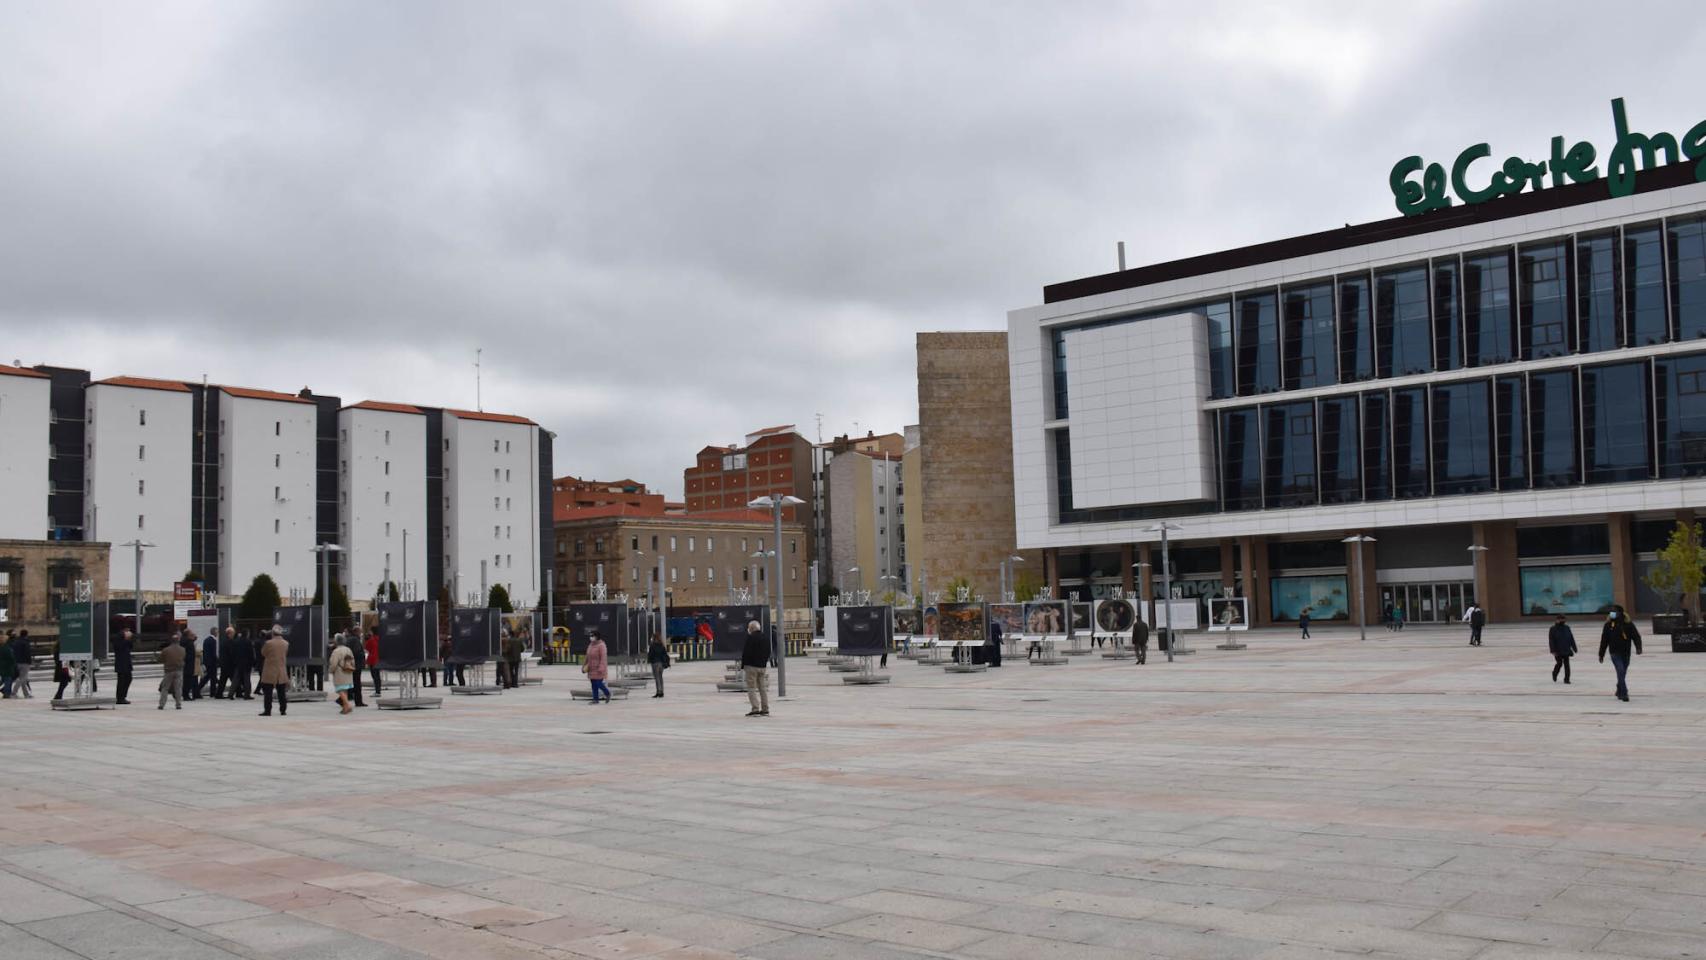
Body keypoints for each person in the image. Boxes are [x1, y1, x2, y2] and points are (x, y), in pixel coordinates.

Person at [1598, 604, 1642, 702]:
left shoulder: (1628, 624)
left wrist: (1638, 648)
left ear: (1620, 613)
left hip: (1626, 652)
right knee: (1620, 670)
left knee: (1622, 672)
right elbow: (1604, 640)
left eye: (1614, 611)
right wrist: (1601, 654)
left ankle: (1619, 688)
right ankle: (1624, 693)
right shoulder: (1608, 625)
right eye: (1611, 611)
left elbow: (1636, 636)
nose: (1612, 613)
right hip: (1614, 652)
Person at [740, 620, 771, 717]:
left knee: (751, 688)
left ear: (751, 629)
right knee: (762, 688)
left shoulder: (750, 638)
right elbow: (768, 651)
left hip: (751, 667)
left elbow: (746, 653)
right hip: (762, 666)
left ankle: (755, 708)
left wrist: (743, 665)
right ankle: (765, 709)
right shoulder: (765, 638)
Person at [258, 626, 290, 716]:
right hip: (281, 671)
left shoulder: (268, 643)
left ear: (272, 633)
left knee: (268, 693)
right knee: (281, 693)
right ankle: (283, 710)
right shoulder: (286, 643)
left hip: (270, 670)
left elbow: (263, 653)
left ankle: (267, 710)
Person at [328, 636, 356, 715]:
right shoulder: (348, 649)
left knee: (339, 689)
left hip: (339, 673)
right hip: (348, 671)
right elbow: (353, 661)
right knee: (345, 690)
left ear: (336, 642)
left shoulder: (336, 651)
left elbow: (333, 663)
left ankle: (347, 705)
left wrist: (330, 670)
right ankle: (345, 707)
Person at [157, 634, 185, 709]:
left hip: (169, 671)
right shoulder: (182, 649)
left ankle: (162, 704)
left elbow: (160, 659)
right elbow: (184, 658)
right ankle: (178, 704)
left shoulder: (166, 650)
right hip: (179, 670)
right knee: (178, 688)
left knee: (165, 688)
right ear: (178, 640)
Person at [582, 628, 610, 704]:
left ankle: (607, 693)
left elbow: (603, 657)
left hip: (599, 668)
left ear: (597, 636)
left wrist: (601, 667)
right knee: (593, 684)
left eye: (592, 636)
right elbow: (587, 656)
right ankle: (595, 699)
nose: (590, 637)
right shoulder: (590, 645)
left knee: (598, 683)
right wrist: (584, 666)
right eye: (590, 635)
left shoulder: (602, 645)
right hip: (591, 668)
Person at [1548, 614, 1577, 683]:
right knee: (1559, 663)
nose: (1563, 620)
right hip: (1557, 650)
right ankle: (1554, 673)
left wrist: (1574, 647)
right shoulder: (1553, 629)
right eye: (1561, 619)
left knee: (1567, 665)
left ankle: (1567, 679)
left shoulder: (1567, 628)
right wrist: (1553, 650)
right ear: (1557, 620)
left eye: (1564, 619)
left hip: (1566, 649)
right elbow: (1551, 640)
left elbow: (1571, 638)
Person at [113, 628, 135, 705]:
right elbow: (119, 647)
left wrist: (128, 639)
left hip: (127, 663)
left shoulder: (126, 640)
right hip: (121, 664)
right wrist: (126, 638)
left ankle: (123, 696)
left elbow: (131, 646)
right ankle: (120, 698)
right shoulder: (118, 639)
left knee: (129, 679)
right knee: (121, 681)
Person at [8, 628, 32, 699]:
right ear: (26, 635)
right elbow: (27, 653)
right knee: (22, 678)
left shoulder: (16, 642)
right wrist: (29, 661)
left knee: (23, 678)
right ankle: (13, 693)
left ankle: (26, 694)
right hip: (25, 662)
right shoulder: (25, 642)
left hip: (17, 662)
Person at [346, 630, 367, 706]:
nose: (361, 634)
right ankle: (358, 701)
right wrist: (362, 654)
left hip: (351, 664)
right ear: (356, 632)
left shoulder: (349, 639)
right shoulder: (355, 640)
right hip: (356, 665)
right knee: (357, 683)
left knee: (352, 682)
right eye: (360, 632)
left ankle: (346, 698)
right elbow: (356, 652)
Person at [201, 627, 222, 698]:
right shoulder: (213, 640)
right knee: (211, 677)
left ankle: (199, 689)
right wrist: (218, 661)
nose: (218, 633)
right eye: (217, 632)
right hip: (212, 662)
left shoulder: (206, 640)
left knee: (210, 676)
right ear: (214, 632)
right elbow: (213, 653)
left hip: (207, 662)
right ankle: (212, 692)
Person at [647, 633, 670, 697]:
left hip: (655, 663)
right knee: (660, 677)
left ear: (654, 638)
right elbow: (665, 654)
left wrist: (649, 660)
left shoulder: (652, 646)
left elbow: (650, 654)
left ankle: (658, 692)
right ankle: (662, 691)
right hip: (661, 664)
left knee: (657, 678)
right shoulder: (662, 646)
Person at [179, 630, 200, 700]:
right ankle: (186, 695)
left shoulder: (184, 640)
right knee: (187, 680)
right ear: (188, 635)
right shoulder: (188, 642)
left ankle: (185, 694)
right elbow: (188, 652)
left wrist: (194, 638)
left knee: (187, 680)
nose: (193, 635)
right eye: (191, 634)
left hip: (187, 663)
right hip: (188, 664)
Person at [365, 627, 382, 699]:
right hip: (379, 659)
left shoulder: (371, 640)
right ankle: (378, 690)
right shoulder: (380, 639)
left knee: (374, 676)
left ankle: (377, 691)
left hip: (372, 659)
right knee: (377, 676)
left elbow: (367, 648)